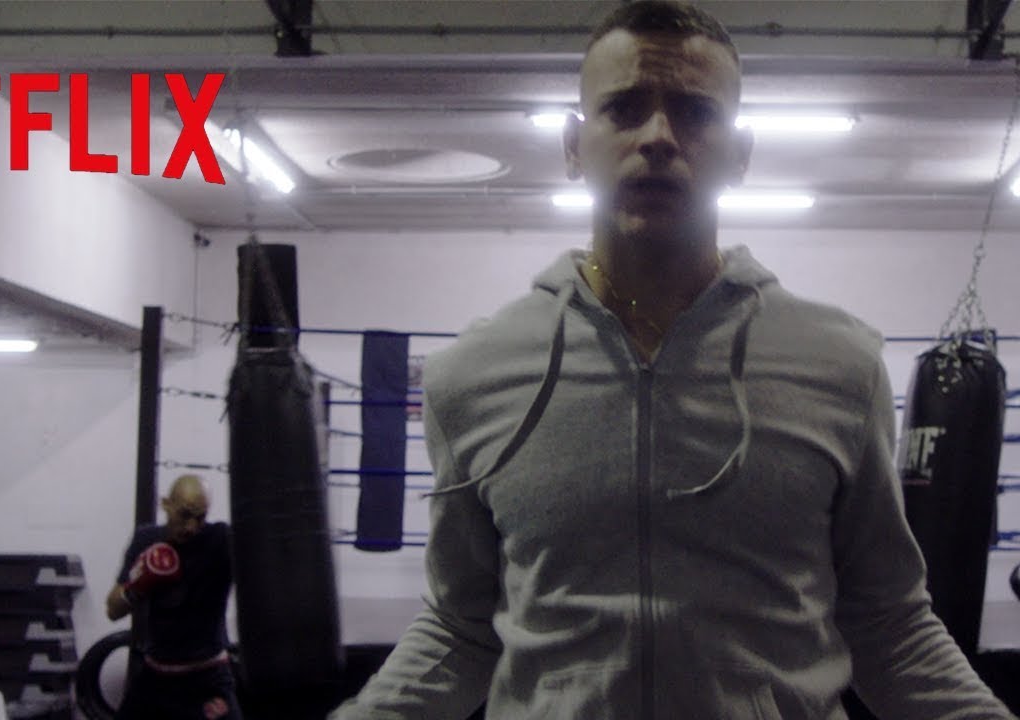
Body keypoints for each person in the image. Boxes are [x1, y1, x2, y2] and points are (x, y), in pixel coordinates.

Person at [330, 2, 1016, 718]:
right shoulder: (472, 377)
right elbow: (459, 627)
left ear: (740, 152)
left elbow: (891, 627)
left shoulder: (840, 367)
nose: (658, 136)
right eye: (624, 108)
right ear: (573, 144)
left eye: (694, 112)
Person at [106, 474, 242, 720]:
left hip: (208, 678)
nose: (191, 527)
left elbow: (257, 561)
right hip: (156, 677)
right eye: (184, 515)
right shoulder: (146, 540)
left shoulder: (220, 540)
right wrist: (137, 585)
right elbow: (113, 611)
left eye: (200, 517)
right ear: (166, 504)